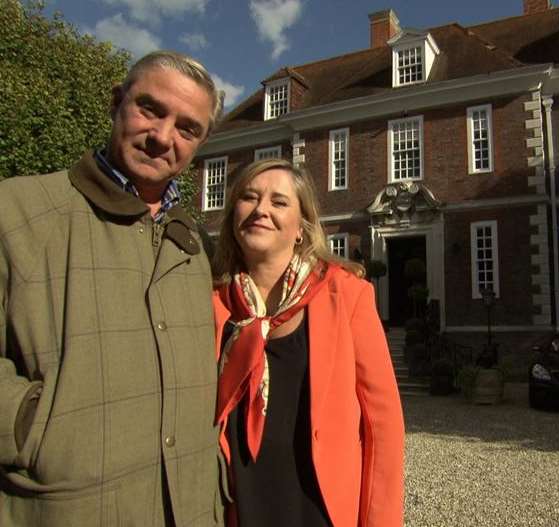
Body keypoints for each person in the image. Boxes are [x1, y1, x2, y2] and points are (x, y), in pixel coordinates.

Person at [0, 51, 224, 526]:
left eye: (187, 129)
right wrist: (32, 428)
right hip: (66, 508)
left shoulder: (195, 246)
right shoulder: (15, 210)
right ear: (116, 102)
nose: (163, 137)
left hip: (188, 510)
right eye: (150, 109)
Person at [211, 158, 405, 527]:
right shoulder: (214, 303)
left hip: (320, 507)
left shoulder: (346, 294)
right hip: (238, 505)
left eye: (279, 202)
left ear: (301, 228)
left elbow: (383, 425)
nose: (261, 209)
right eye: (249, 197)